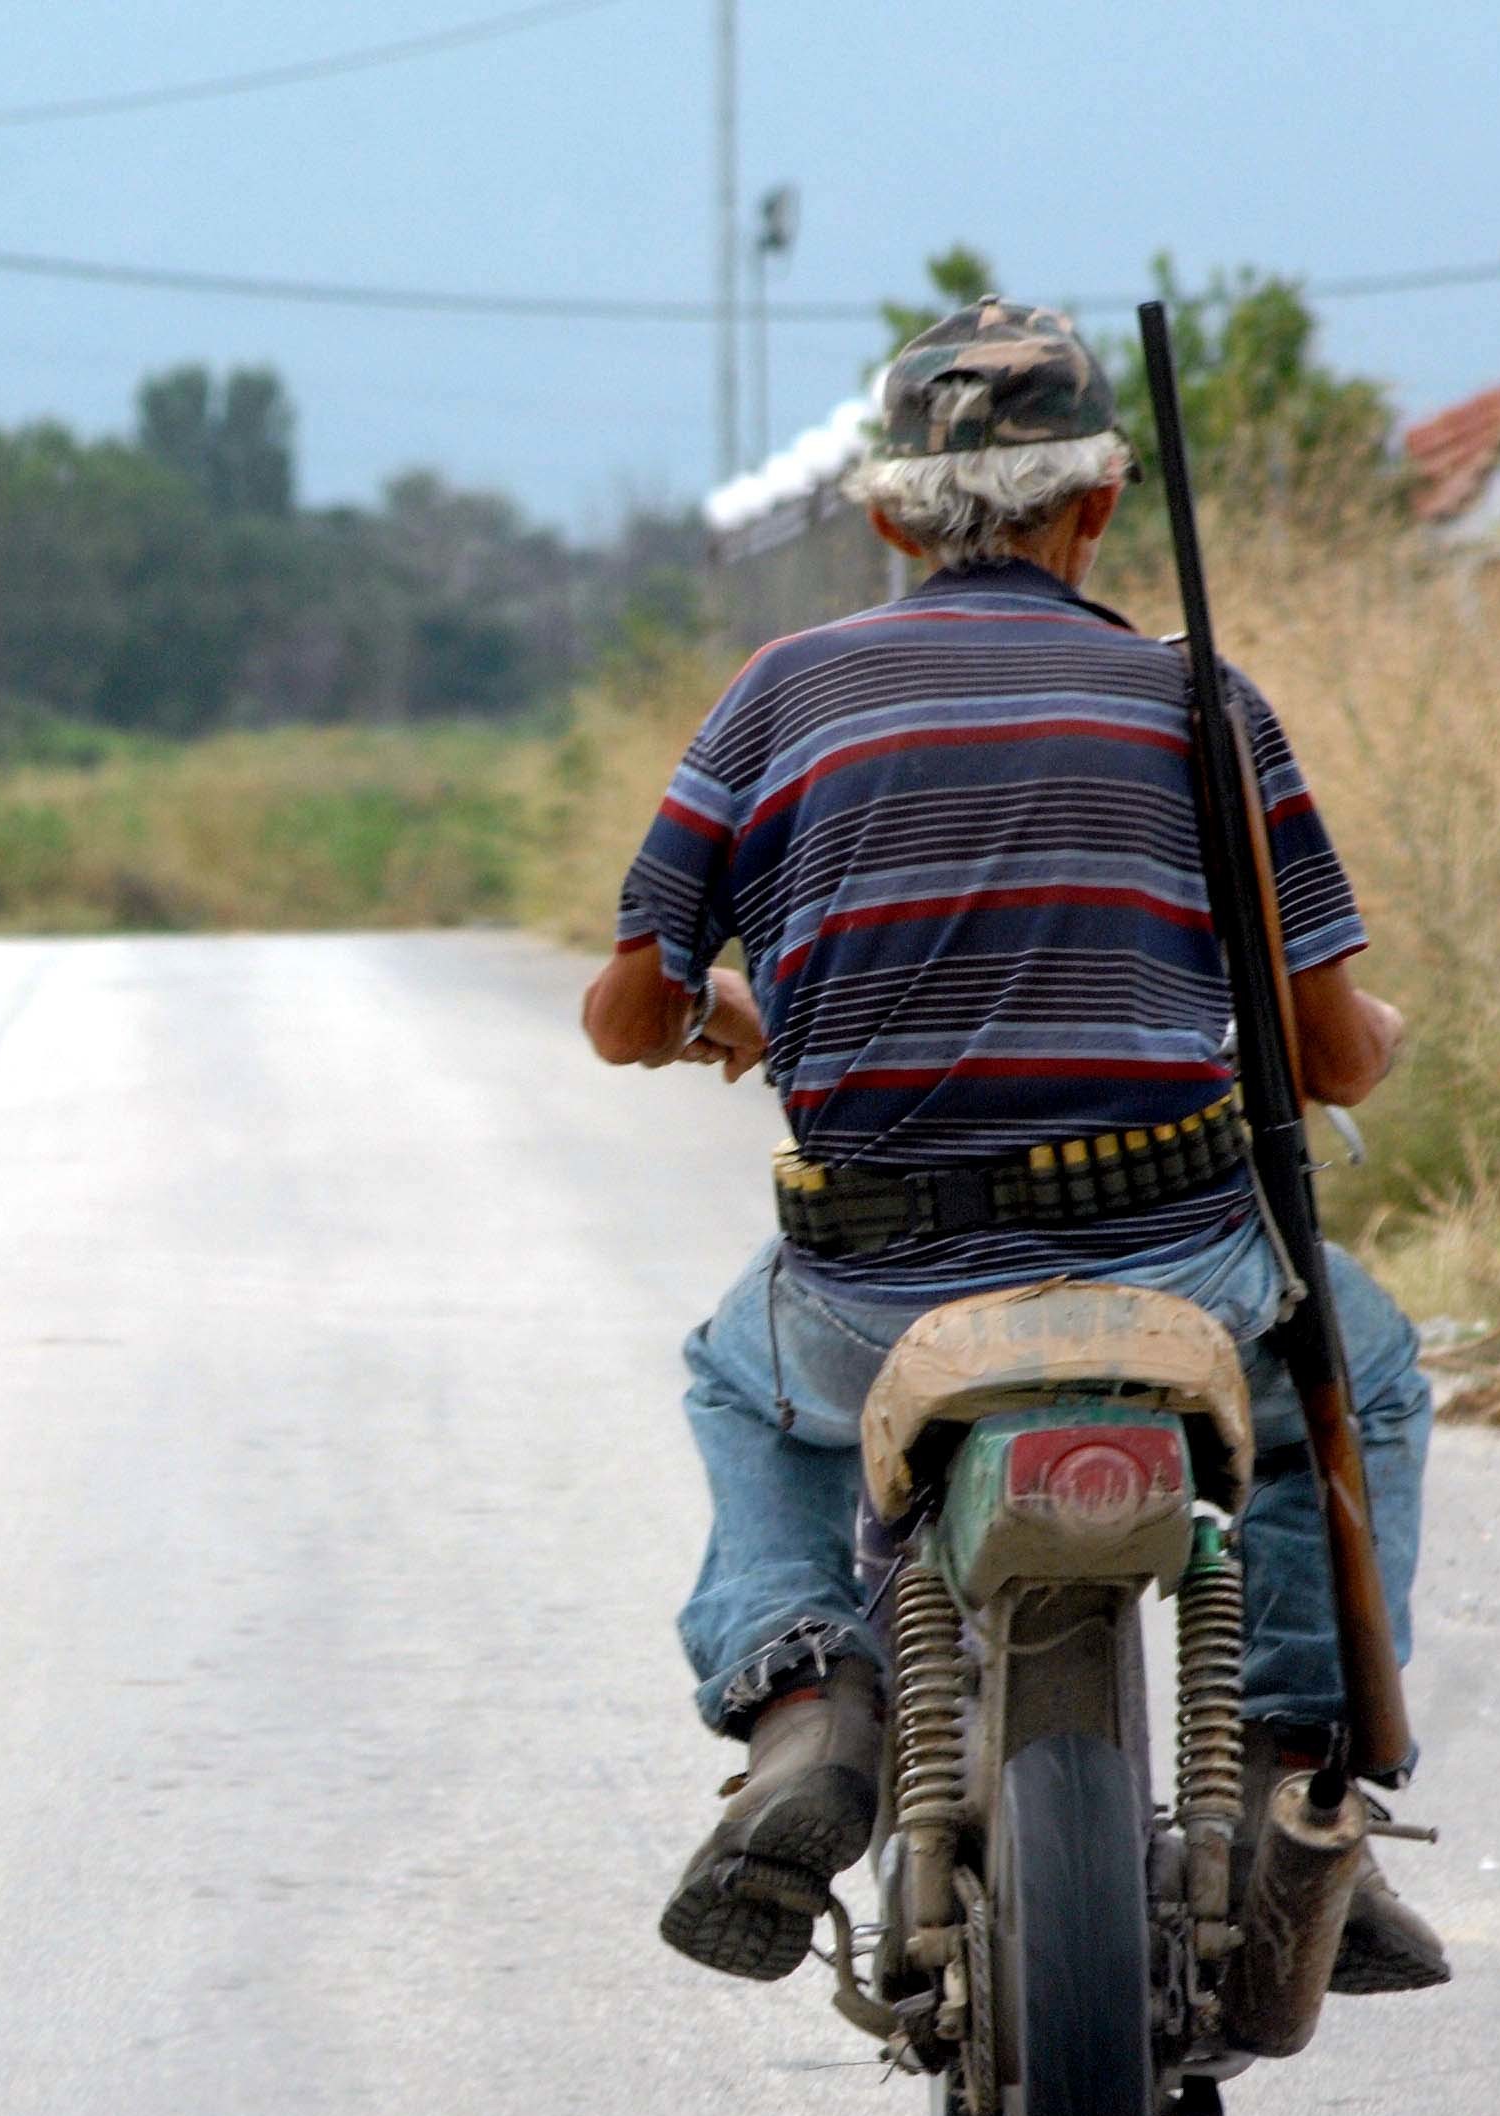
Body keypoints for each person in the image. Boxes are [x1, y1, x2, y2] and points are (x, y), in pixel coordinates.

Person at [584, 299, 1451, 1996]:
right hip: (1176, 1262)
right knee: (1378, 1372)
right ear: (1100, 507)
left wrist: (717, 1021)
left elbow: (628, 1010)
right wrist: (1375, 1040)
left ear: (891, 516)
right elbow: (1333, 1045)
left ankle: (810, 1700)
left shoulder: (776, 699)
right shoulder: (1199, 701)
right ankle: (1295, 1772)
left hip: (873, 1285)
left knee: (735, 1379)